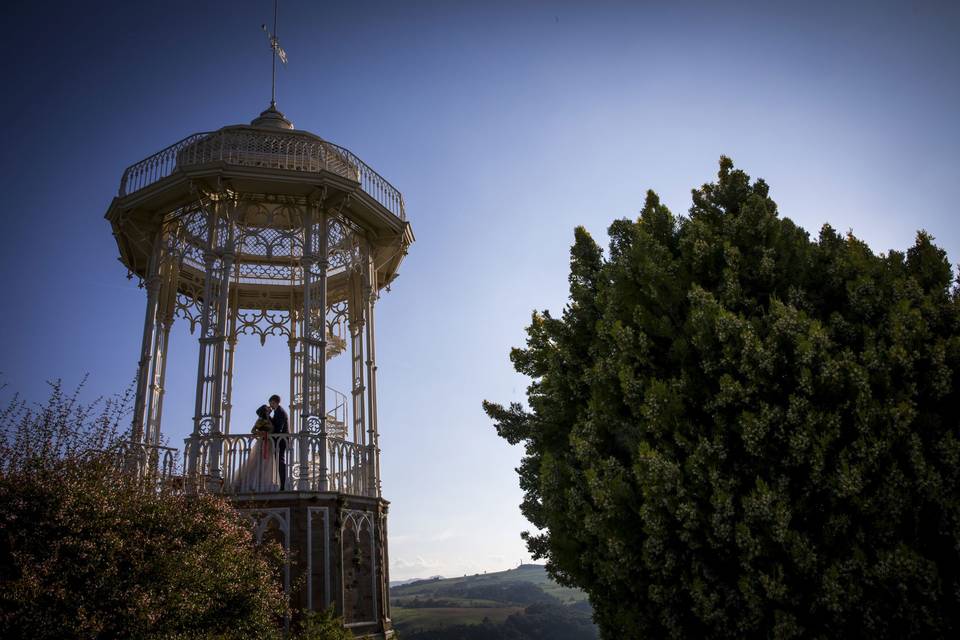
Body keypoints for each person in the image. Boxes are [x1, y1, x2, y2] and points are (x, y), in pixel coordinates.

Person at [234, 405, 277, 493]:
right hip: (263, 443)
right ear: (265, 411)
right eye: (268, 407)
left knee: (267, 464)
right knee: (259, 462)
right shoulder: (261, 420)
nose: (270, 408)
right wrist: (261, 432)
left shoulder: (271, 419)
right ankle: (253, 484)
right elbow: (253, 430)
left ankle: (265, 483)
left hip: (270, 443)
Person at [269, 394, 289, 490]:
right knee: (278, 462)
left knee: (280, 462)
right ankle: (281, 483)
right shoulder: (277, 412)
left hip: (281, 441)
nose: (271, 406)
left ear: (274, 402)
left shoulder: (280, 412)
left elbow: (279, 428)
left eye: (271, 403)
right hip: (279, 440)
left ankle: (283, 485)